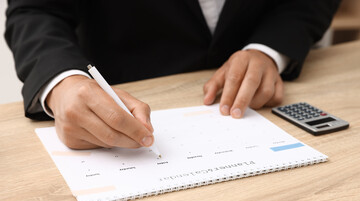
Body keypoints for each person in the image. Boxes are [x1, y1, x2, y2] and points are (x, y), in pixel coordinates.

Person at [5, 0, 340, 149]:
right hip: (120, 103)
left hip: (254, 109)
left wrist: (270, 48)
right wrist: (63, 81)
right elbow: (35, 10)